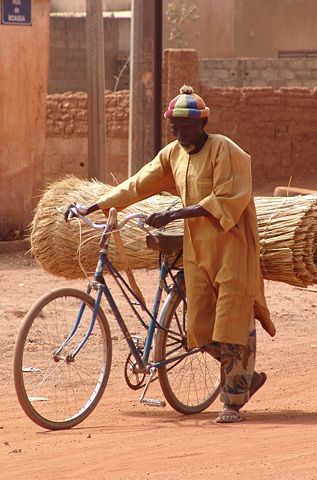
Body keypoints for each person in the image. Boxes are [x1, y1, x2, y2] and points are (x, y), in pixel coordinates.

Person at [65, 85, 276, 423]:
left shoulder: (227, 151)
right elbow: (138, 183)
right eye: (174, 128)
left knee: (230, 323)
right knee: (200, 327)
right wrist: (97, 204)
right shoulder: (173, 154)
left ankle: (232, 402)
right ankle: (247, 378)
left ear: (202, 123)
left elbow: (226, 201)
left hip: (232, 248)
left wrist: (173, 215)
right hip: (197, 250)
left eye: (185, 127)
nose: (178, 134)